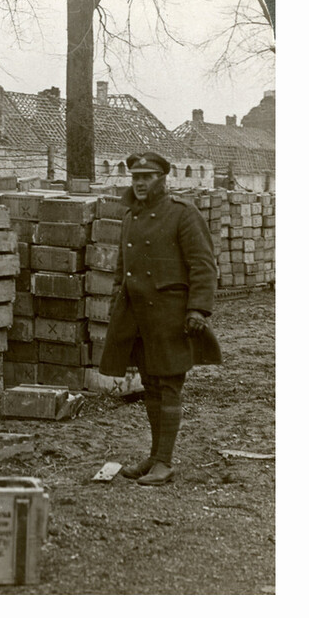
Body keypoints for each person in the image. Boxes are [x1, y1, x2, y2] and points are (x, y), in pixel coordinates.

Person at [99, 152, 222, 486]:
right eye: (136, 177)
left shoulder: (183, 214)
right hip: (138, 317)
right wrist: (115, 304)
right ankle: (155, 457)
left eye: (148, 177)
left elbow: (203, 265)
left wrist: (198, 308)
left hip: (170, 317)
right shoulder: (130, 217)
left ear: (163, 179)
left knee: (167, 387)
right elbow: (121, 268)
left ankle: (165, 463)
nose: (140, 183)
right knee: (151, 385)